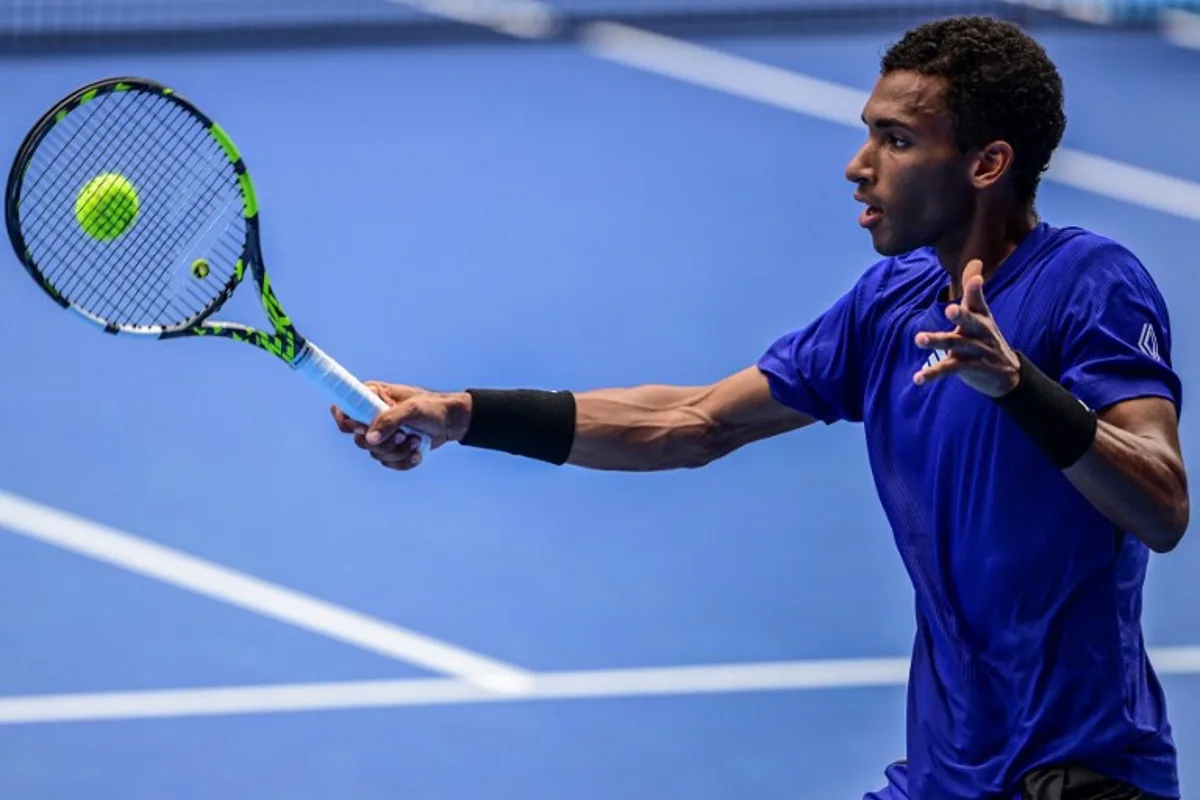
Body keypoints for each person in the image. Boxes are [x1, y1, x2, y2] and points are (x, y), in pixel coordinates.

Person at [331, 16, 1188, 800]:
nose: (859, 165)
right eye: (868, 134)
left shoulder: (1093, 285)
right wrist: (464, 413)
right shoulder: (890, 304)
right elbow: (694, 421)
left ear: (987, 164)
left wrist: (1019, 388)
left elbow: (1161, 505)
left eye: (895, 140)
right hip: (948, 777)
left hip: (1080, 776)